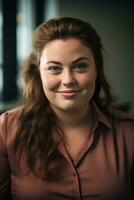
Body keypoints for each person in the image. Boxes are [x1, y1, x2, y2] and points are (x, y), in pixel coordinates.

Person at [0, 17, 133, 200]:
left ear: (96, 69)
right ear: (39, 72)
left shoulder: (129, 132)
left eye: (80, 66)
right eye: (54, 68)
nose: (68, 80)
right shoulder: (6, 129)